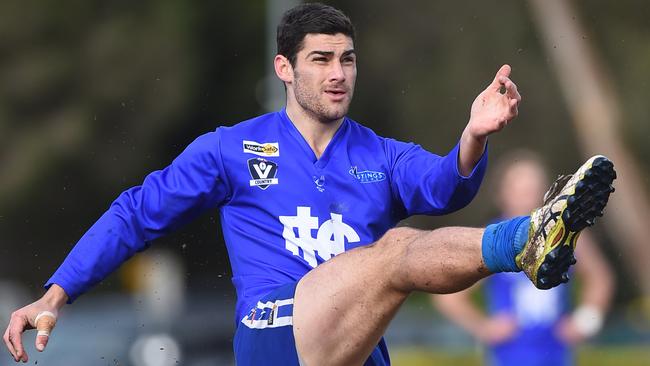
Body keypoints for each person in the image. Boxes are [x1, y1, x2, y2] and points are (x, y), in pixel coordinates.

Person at [3, 3, 615, 365]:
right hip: (275, 331)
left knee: (397, 252)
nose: (337, 73)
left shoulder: (378, 152)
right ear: (285, 68)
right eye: (321, 60)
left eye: (346, 59)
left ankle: (530, 240)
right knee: (396, 252)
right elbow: (137, 212)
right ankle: (526, 241)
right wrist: (56, 295)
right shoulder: (232, 147)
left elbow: (444, 188)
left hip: (354, 346)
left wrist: (475, 135)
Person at [433, 151, 615, 366]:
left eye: (533, 190)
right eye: (519, 190)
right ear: (502, 194)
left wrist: (584, 322)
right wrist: (484, 327)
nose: (527, 196)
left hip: (557, 355)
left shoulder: (566, 234)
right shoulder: (490, 240)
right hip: (508, 357)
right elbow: (448, 296)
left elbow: (600, 278)